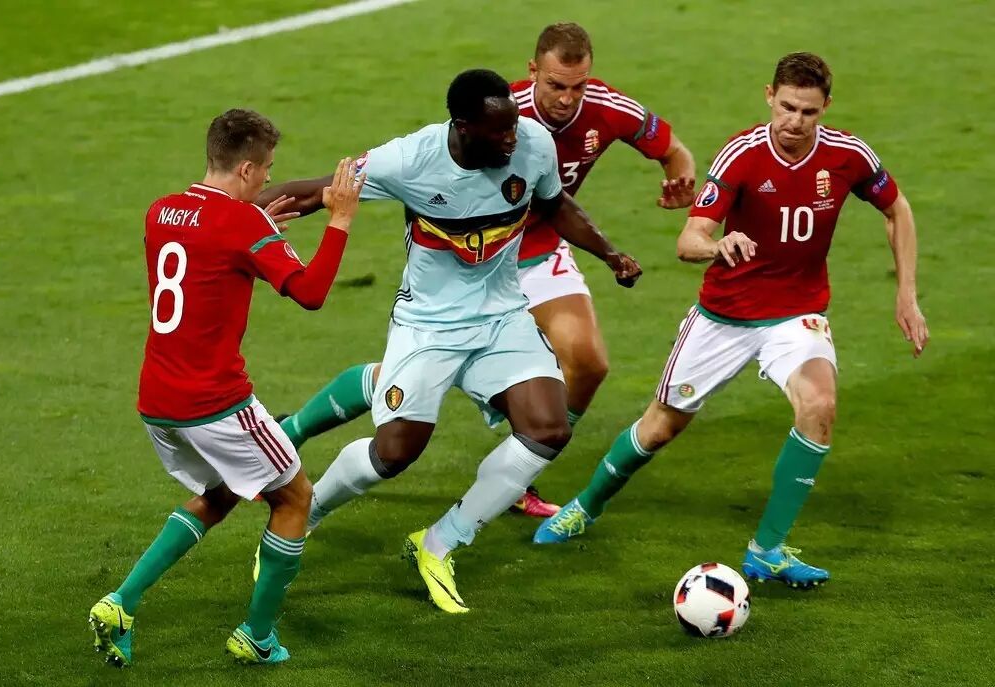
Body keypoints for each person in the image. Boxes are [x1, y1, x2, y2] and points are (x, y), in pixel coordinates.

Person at [534, 53, 929, 590]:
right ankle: (585, 505)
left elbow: (897, 208)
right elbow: (688, 239)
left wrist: (906, 294)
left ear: (826, 108)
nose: (794, 121)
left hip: (797, 313)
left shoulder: (848, 155)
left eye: (808, 112)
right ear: (770, 96)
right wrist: (718, 244)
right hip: (725, 316)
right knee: (660, 426)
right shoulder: (743, 154)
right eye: (786, 107)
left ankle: (767, 551)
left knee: (820, 406)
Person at [273, 22, 695, 519]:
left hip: (529, 258)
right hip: (454, 283)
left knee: (584, 368)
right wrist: (232, 213)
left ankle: (518, 472)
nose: (566, 99)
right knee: (401, 419)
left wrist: (661, 202)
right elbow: (332, 187)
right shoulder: (481, 115)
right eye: (556, 85)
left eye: (578, 86)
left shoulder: (579, 118)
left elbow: (665, 156)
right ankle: (297, 439)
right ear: (533, 72)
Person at [259, 69, 641, 613]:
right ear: (462, 126)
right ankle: (305, 512)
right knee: (394, 453)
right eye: (500, 130)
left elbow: (556, 206)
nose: (512, 138)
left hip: (502, 317)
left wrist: (609, 253)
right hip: (428, 326)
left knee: (548, 429)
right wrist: (237, 221)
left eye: (514, 125)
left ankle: (440, 542)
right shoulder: (409, 160)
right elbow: (319, 189)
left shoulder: (533, 144)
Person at [88, 108, 364, 666]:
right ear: (245, 169)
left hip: (157, 399)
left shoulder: (161, 211)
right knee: (294, 498)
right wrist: (339, 219)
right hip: (213, 402)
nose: (268, 179)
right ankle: (257, 637)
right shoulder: (243, 225)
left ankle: (121, 603)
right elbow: (310, 292)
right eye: (266, 171)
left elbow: (207, 252)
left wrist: (256, 226)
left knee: (223, 492)